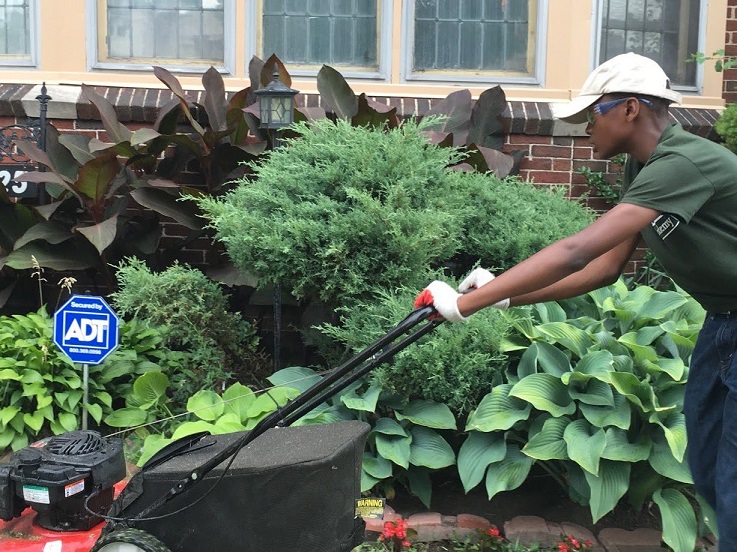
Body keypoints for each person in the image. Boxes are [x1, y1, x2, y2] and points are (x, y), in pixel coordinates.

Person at [414, 52, 737, 548]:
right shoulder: (643, 168)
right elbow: (602, 269)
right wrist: (504, 298)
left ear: (630, 108)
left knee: (733, 481)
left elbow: (575, 251)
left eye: (593, 113)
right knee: (711, 466)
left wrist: (467, 306)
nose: (586, 126)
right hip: (725, 323)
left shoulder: (683, 162)